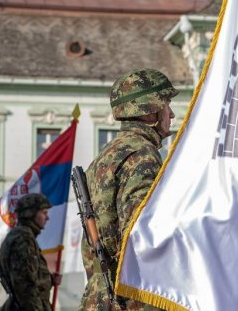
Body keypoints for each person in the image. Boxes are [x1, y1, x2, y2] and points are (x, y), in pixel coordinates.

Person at [79, 68, 178, 310]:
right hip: (131, 299)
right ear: (150, 111)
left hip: (100, 296)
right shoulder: (142, 155)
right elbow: (143, 236)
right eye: (166, 105)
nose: (172, 114)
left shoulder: (107, 155)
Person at [0, 193, 60, 311]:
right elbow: (25, 286)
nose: (47, 218)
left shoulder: (23, 236)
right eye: (44, 213)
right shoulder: (22, 239)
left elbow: (29, 276)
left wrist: (49, 280)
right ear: (31, 213)